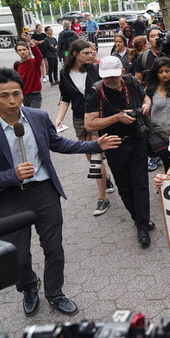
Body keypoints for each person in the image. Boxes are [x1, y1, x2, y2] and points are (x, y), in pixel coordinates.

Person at [0, 67, 120, 316]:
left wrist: (95, 144)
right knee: (17, 255)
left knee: (54, 247)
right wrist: (11, 175)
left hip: (44, 191)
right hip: (8, 198)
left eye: (16, 94)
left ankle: (55, 293)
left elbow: (58, 143)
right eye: (4, 95)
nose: (12, 101)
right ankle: (29, 287)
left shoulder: (37, 117)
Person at [84, 56, 154, 249]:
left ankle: (142, 225)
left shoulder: (131, 81)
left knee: (140, 183)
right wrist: (116, 118)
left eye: (114, 77)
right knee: (125, 187)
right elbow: (89, 123)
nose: (111, 81)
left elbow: (145, 96)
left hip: (137, 139)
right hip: (114, 144)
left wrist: (146, 105)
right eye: (107, 77)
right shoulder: (96, 91)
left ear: (122, 73)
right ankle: (138, 218)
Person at [55, 39, 115, 216]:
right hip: (79, 119)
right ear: (75, 54)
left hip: (98, 117)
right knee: (90, 157)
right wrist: (58, 119)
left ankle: (102, 198)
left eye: (91, 52)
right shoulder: (64, 74)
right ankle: (106, 179)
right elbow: (65, 98)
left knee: (96, 156)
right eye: (86, 53)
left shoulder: (96, 69)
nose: (91, 55)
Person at [144, 56, 170, 172]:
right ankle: (167, 186)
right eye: (160, 72)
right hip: (159, 136)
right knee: (168, 164)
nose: (164, 74)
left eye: (167, 71)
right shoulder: (149, 90)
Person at [14, 33, 43, 109]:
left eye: (24, 49)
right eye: (19, 50)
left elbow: (39, 56)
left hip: (35, 95)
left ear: (28, 50)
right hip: (23, 96)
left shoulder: (34, 62)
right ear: (17, 52)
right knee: (27, 117)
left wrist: (30, 41)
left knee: (33, 116)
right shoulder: (17, 65)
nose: (22, 52)